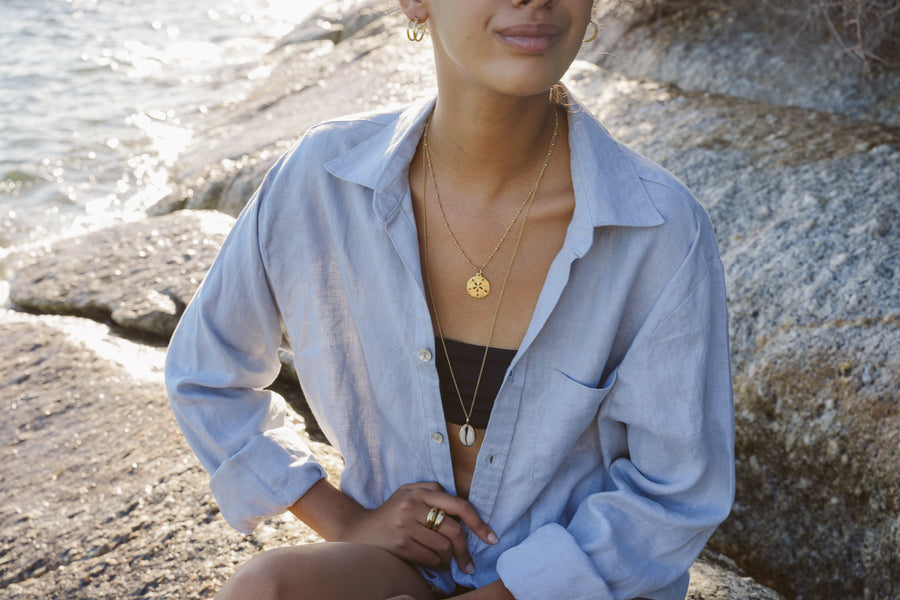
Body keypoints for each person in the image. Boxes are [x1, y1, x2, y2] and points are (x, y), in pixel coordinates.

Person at [165, 0, 735, 598]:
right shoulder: (322, 180)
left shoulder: (656, 227)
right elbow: (206, 375)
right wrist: (347, 520)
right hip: (401, 572)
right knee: (266, 587)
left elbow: (676, 490)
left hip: (566, 587)